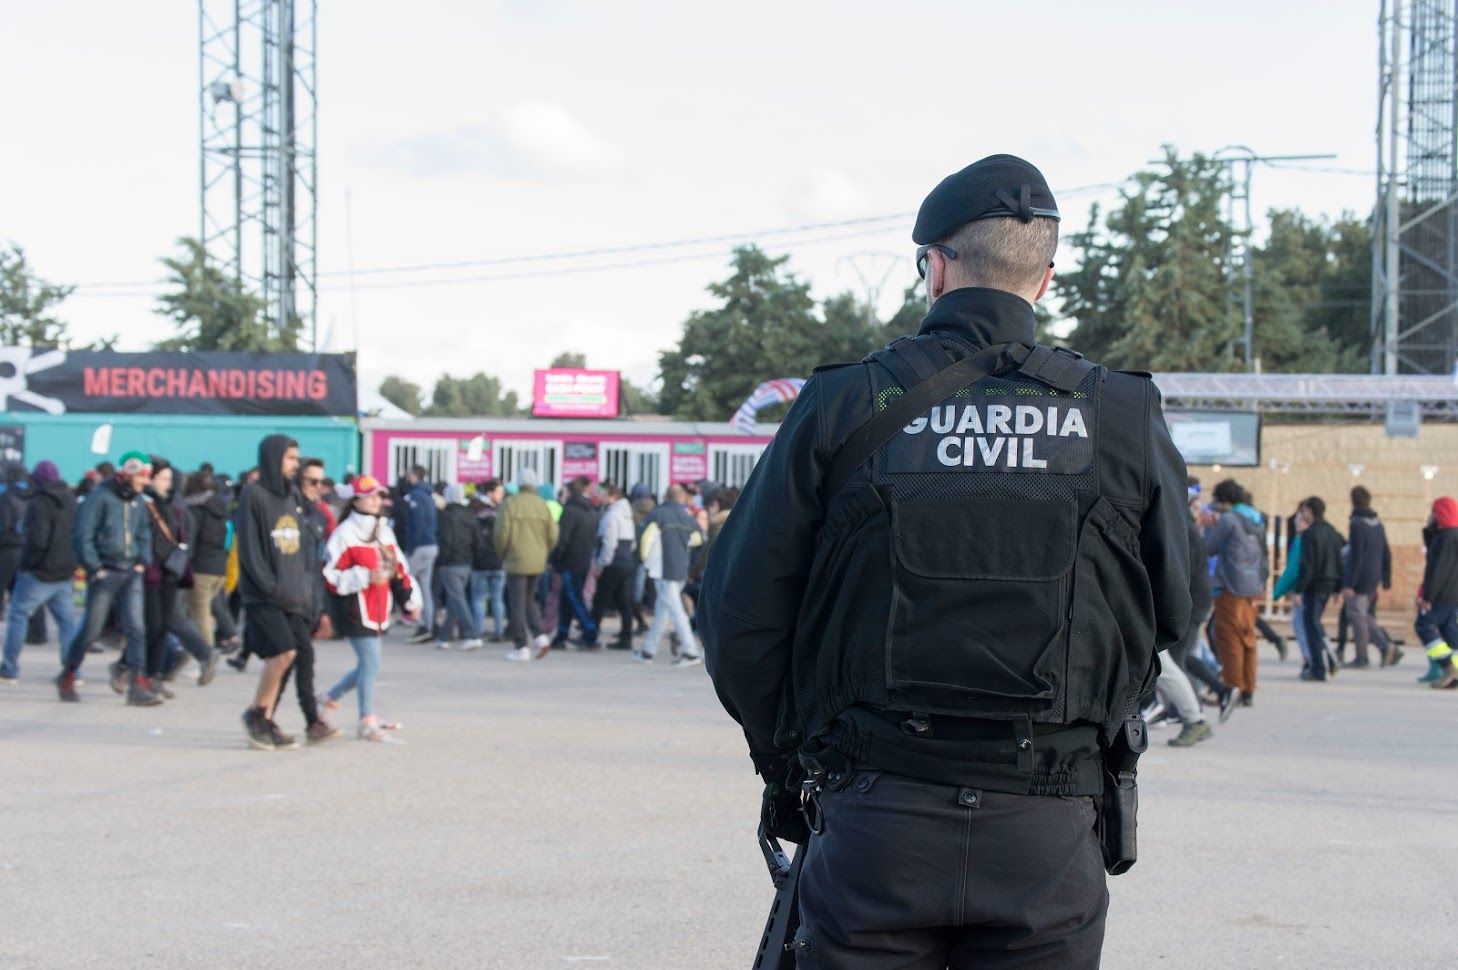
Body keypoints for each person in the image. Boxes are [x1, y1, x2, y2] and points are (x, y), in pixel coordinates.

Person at [699, 154, 1191, 967]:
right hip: (1048, 829)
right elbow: (1178, 606)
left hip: (874, 819)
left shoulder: (845, 403)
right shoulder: (1121, 414)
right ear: (1046, 278)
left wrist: (786, 762)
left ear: (934, 267)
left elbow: (740, 615)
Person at [321, 475, 420, 740]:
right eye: (370, 495)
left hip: (380, 609)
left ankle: (330, 697)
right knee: (370, 661)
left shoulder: (384, 531)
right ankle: (366, 719)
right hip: (353, 609)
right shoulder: (344, 534)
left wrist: (410, 599)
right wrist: (364, 577)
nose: (376, 500)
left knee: (368, 664)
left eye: (378, 495)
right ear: (355, 500)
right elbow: (329, 576)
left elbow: (400, 568)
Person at [55, 452, 156, 705]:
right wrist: (95, 568)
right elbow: (81, 534)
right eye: (143, 476)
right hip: (105, 572)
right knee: (91, 630)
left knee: (137, 629)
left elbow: (144, 531)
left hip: (131, 571)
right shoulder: (101, 497)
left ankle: (138, 684)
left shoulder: (139, 502)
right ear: (130, 473)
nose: (146, 482)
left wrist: (143, 560)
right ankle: (68, 673)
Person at [237, 435, 313, 750]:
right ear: (273, 459)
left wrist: (302, 587)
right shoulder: (253, 495)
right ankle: (257, 715)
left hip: (292, 593)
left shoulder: (292, 495)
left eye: (297, 458)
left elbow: (299, 547)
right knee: (283, 652)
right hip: (263, 594)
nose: (296, 465)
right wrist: (269, 586)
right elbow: (250, 548)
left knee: (295, 654)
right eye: (290, 458)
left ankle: (263, 718)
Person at [272, 458, 340, 743]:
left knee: (291, 664)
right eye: (311, 481)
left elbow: (317, 566)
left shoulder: (318, 515)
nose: (318, 487)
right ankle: (310, 720)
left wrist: (321, 608)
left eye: (321, 482)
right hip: (287, 598)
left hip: (308, 598)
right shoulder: (288, 513)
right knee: (299, 658)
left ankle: (265, 715)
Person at [140, 458, 218, 695]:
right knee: (166, 619)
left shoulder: (180, 508)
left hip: (185, 569)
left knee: (174, 617)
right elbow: (227, 538)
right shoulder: (209, 509)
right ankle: (159, 665)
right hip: (205, 566)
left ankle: (199, 652)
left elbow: (185, 537)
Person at [0, 462, 78, 684]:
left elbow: (37, 540)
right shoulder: (70, 500)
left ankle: (9, 668)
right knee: (67, 624)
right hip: (65, 571)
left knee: (18, 615)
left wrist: (28, 565)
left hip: (40, 572)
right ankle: (73, 671)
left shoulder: (39, 503)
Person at [1204, 479, 1266, 703]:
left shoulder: (1229, 519)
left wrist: (1210, 526)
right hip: (1253, 586)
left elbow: (1209, 548)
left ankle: (1231, 688)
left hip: (1231, 586)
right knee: (1248, 638)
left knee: (1228, 638)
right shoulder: (1256, 518)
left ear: (1223, 501)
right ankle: (1248, 688)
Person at [636, 485, 704, 667]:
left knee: (676, 611)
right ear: (681, 498)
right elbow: (698, 538)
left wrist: (644, 561)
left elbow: (644, 540)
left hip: (663, 569)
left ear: (665, 496)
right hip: (681, 568)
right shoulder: (687, 516)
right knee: (662, 612)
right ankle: (648, 651)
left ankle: (691, 652)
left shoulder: (657, 514)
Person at [495, 467, 557, 662]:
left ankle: (521, 646)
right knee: (530, 600)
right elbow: (553, 534)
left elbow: (501, 535)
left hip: (516, 559)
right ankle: (540, 637)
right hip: (538, 560)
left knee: (516, 603)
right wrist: (543, 551)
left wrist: (503, 554)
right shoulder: (543, 505)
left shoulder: (510, 504)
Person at [183, 467, 239, 652]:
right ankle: (230, 634)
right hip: (220, 567)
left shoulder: (195, 511)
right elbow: (230, 539)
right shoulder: (224, 510)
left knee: (200, 615)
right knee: (213, 606)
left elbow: (190, 541)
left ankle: (205, 655)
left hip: (201, 568)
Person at [1341, 485, 1396, 668]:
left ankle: (1365, 656)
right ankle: (1385, 646)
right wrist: (1386, 577)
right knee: (1363, 615)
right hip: (1374, 575)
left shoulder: (1357, 523)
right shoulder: (1377, 523)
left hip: (1360, 576)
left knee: (1357, 615)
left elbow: (1357, 555)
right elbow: (1386, 552)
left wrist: (1350, 582)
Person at [1291, 495, 1344, 684]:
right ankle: (1327, 658)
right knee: (1315, 623)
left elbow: (1308, 565)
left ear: (1310, 511)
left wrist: (1299, 590)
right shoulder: (1332, 532)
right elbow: (1340, 561)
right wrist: (1339, 587)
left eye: (1304, 510)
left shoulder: (1310, 534)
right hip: (1329, 583)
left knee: (1311, 625)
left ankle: (1318, 668)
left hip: (1314, 585)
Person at [550, 476, 600, 648]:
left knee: (574, 598)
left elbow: (562, 539)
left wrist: (554, 558)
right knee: (567, 598)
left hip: (570, 561)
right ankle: (561, 634)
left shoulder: (570, 511)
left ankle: (590, 632)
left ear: (570, 492)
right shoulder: (591, 511)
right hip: (584, 560)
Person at [434, 482, 484, 650]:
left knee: (457, 599)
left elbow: (446, 540)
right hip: (466, 563)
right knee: (454, 599)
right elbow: (478, 540)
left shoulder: (446, 515)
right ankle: (444, 636)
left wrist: (441, 561)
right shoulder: (470, 514)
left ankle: (472, 635)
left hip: (451, 563)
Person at [1416, 496, 1458, 689]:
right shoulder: (1449, 535)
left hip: (1443, 595)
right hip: (1452, 594)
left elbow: (1438, 568)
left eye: (1434, 512)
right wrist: (1429, 529)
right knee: (1450, 633)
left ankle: (1448, 666)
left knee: (1424, 625)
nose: (1431, 516)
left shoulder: (1447, 537)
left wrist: (1428, 596)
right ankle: (1454, 673)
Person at [394, 465, 439, 644]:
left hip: (420, 546)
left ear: (414, 476)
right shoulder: (428, 494)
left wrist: (410, 549)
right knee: (424, 588)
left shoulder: (416, 496)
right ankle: (428, 624)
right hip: (431, 545)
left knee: (407, 583)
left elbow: (417, 525)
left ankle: (422, 624)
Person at [591, 481, 638, 651]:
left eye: (603, 494)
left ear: (612, 497)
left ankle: (590, 635)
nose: (600, 497)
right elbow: (632, 543)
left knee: (600, 601)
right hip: (627, 562)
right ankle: (626, 638)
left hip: (613, 562)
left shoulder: (612, 515)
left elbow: (609, 543)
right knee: (625, 602)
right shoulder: (627, 514)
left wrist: (601, 564)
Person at [469, 479, 508, 644]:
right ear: (490, 492)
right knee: (496, 599)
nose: (502, 496)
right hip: (498, 561)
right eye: (499, 492)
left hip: (481, 561)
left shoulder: (475, 509)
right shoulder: (501, 512)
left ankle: (478, 632)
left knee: (479, 599)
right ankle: (498, 631)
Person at [0, 461, 31, 620]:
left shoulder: (6, 495)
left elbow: (4, 525)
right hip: (26, 545)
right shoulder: (31, 494)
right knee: (21, 588)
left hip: (8, 547)